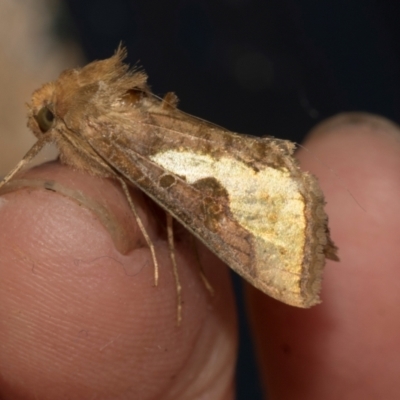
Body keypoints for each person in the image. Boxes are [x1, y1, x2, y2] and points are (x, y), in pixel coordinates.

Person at [0, 112, 399, 399]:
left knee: (188, 196)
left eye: (50, 120)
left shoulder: (101, 126)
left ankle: (290, 224)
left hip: (200, 174)